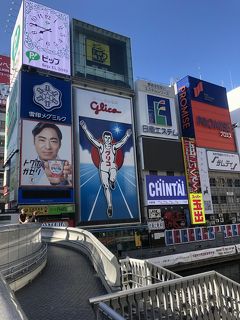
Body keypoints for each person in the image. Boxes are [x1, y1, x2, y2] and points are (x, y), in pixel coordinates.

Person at [80, 120, 132, 218]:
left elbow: (122, 142)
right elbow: (92, 139)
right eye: (106, 137)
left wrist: (127, 135)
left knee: (112, 175)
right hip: (103, 167)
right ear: (103, 138)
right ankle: (110, 205)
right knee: (105, 186)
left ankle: (112, 181)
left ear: (111, 139)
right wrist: (85, 128)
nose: (107, 139)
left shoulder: (114, 147)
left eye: (109, 138)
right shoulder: (101, 146)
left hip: (112, 166)